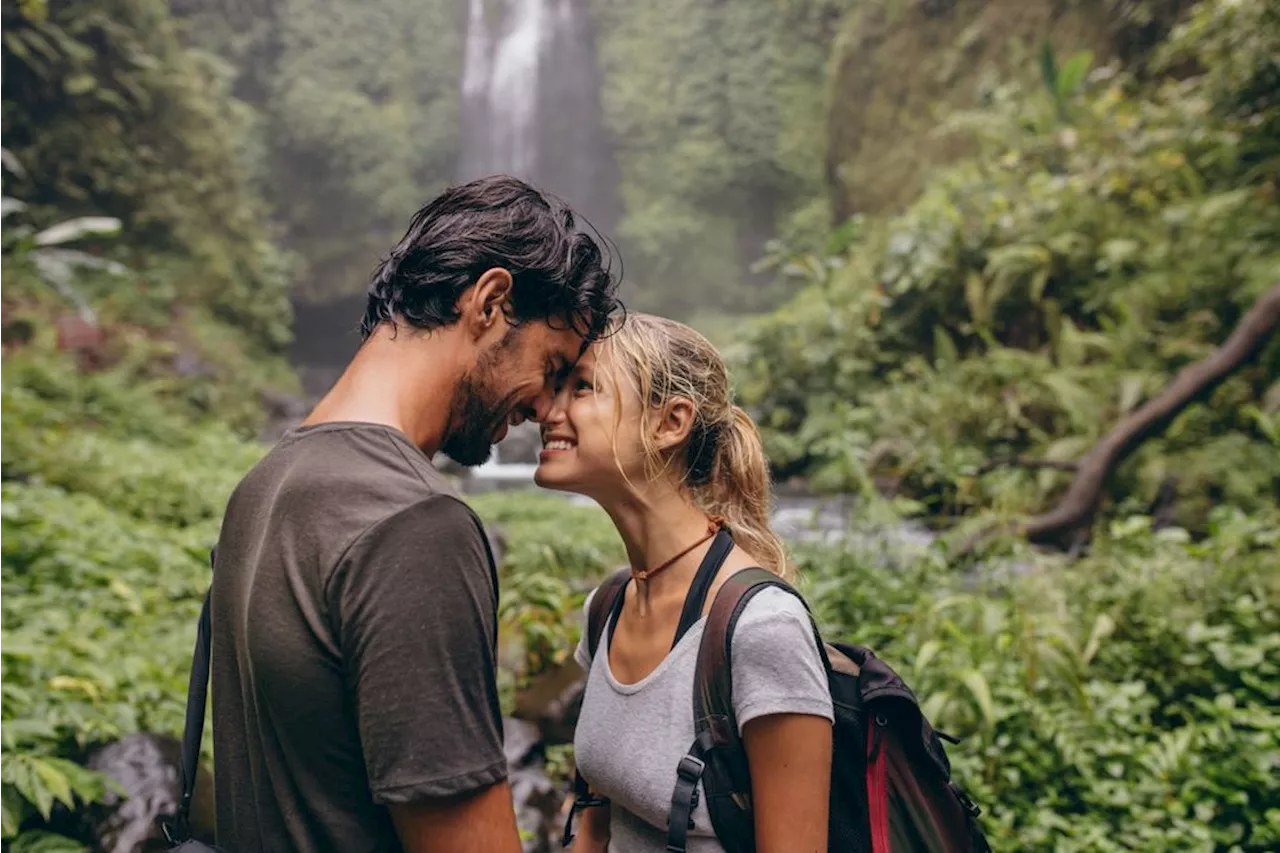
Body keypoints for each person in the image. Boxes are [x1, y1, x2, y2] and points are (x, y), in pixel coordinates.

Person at [209, 175, 622, 853]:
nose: (547, 409)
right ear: (489, 303)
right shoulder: (414, 525)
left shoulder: (263, 485)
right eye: (551, 366)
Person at [534, 313, 834, 853]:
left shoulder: (762, 628)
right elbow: (596, 825)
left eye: (581, 386)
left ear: (670, 422)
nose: (545, 409)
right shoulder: (608, 606)